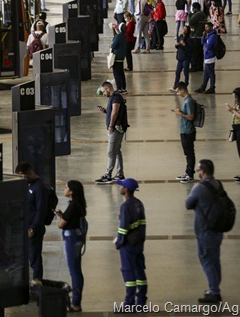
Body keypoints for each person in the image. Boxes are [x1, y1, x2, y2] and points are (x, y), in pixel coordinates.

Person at [185, 159, 224, 303]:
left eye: (198, 170)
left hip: (204, 230)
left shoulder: (199, 188)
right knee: (215, 260)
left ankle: (214, 292)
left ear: (204, 171)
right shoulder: (218, 184)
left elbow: (188, 204)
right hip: (217, 228)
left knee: (207, 260)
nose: (197, 173)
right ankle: (214, 288)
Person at [114, 178, 147, 307]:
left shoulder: (125, 206)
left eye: (122, 186)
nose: (120, 188)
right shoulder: (139, 203)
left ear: (126, 189)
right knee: (140, 271)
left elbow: (123, 227)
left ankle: (129, 303)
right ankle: (141, 300)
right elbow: (143, 224)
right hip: (138, 243)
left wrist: (119, 242)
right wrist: (141, 240)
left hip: (128, 244)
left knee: (128, 272)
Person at [55, 180, 87, 313]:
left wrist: (60, 219)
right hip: (77, 238)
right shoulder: (78, 204)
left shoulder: (73, 206)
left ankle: (76, 303)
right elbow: (70, 219)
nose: (64, 189)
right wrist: (63, 216)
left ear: (72, 192)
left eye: (66, 188)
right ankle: (76, 301)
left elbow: (60, 225)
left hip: (71, 240)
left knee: (74, 272)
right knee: (77, 271)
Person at [15, 162, 48, 282]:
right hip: (25, 226)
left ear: (29, 173)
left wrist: (33, 228)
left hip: (34, 229)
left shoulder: (39, 187)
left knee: (34, 258)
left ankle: (37, 281)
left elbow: (41, 211)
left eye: (22, 176)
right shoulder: (28, 185)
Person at [96, 81, 126, 183]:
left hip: (115, 129)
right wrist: (105, 111)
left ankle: (107, 175)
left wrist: (111, 125)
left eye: (104, 91)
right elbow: (112, 111)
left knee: (110, 152)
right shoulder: (113, 97)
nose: (103, 94)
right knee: (117, 151)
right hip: (115, 127)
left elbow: (115, 111)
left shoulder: (116, 97)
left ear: (108, 89)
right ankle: (119, 174)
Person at [174, 82, 197, 183]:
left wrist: (180, 114)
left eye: (178, 91)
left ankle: (190, 174)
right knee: (187, 153)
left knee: (189, 153)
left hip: (188, 131)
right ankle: (188, 172)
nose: (178, 93)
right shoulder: (186, 101)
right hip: (184, 130)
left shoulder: (189, 101)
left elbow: (191, 116)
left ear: (182, 89)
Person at [195, 22, 218, 94]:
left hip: (210, 56)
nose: (206, 29)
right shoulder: (208, 35)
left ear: (211, 27)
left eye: (207, 27)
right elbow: (202, 43)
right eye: (205, 27)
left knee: (211, 73)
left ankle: (212, 87)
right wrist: (203, 36)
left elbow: (208, 46)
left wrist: (206, 42)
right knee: (206, 74)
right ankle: (203, 87)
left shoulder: (213, 36)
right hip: (207, 56)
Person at [170, 26, 192, 90]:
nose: (184, 30)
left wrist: (184, 44)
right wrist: (176, 45)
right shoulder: (180, 37)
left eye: (185, 29)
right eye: (183, 29)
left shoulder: (189, 39)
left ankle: (186, 84)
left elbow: (190, 49)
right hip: (180, 58)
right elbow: (178, 46)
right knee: (177, 72)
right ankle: (176, 84)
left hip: (186, 58)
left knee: (185, 72)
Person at [189, 2, 207, 72]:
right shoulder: (202, 14)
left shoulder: (198, 14)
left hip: (196, 36)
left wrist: (190, 15)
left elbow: (190, 21)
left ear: (195, 8)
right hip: (200, 36)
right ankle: (200, 66)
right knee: (199, 53)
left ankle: (194, 67)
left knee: (194, 53)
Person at [111, 22, 128, 93]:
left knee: (116, 73)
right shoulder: (124, 36)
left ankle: (119, 87)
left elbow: (113, 45)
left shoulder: (118, 36)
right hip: (121, 57)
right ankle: (123, 87)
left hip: (116, 57)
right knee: (121, 73)